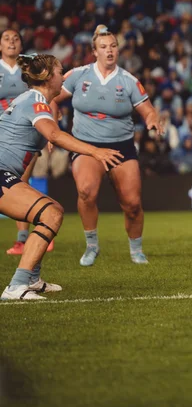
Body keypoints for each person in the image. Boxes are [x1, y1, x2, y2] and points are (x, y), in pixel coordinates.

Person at [0, 54, 122, 300]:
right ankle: (16, 287)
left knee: (51, 210)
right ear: (47, 77)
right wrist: (95, 151)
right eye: (60, 71)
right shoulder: (35, 101)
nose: (64, 76)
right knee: (51, 214)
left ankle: (31, 279)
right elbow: (54, 135)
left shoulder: (31, 100)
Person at [50, 25, 163, 267]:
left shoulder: (129, 81)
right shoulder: (78, 75)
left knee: (132, 204)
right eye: (104, 47)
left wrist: (152, 121)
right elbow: (51, 96)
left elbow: (148, 109)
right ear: (94, 52)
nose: (109, 51)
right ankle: (92, 245)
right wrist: (53, 123)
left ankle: (136, 250)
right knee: (86, 192)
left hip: (121, 147)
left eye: (113, 46)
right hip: (86, 145)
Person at [1, 30, 56, 255]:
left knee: (22, 181)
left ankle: (25, 237)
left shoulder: (30, 64)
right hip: (4, 132)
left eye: (16, 39)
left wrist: (51, 129)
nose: (12, 42)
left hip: (28, 130)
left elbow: (47, 93)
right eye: (6, 39)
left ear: (22, 44)